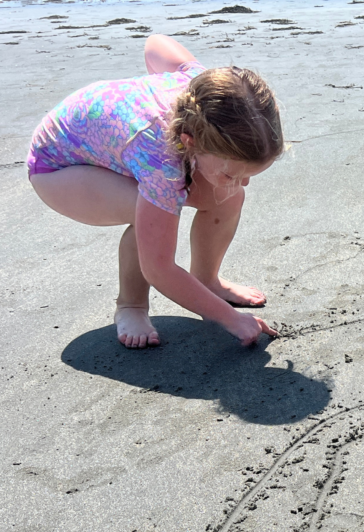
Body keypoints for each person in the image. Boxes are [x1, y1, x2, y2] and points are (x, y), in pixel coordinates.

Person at [27, 34, 283, 348]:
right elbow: (159, 267)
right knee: (148, 208)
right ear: (191, 142)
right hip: (57, 169)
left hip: (118, 146)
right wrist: (230, 319)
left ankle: (207, 280)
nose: (244, 182)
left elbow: (155, 43)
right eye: (232, 172)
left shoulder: (200, 89)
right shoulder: (161, 160)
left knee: (227, 195)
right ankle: (131, 305)